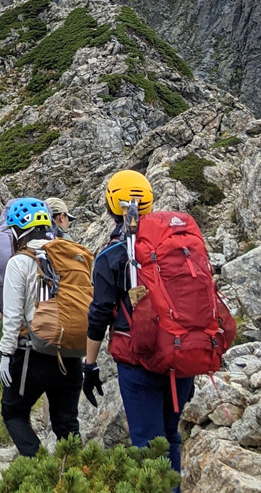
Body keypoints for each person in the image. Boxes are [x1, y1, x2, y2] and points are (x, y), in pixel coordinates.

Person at [82, 170, 194, 475]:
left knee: (147, 443)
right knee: (171, 436)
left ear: (110, 205)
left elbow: (100, 314)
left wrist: (90, 365)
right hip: (181, 355)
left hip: (138, 360)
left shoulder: (112, 255)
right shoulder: (176, 245)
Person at [0, 198, 93, 457]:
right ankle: (77, 476)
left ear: (18, 230)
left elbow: (13, 316)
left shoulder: (20, 261)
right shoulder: (69, 253)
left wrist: (6, 355)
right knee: (66, 422)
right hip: (72, 353)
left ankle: (40, 469)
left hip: (33, 353)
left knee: (14, 411)